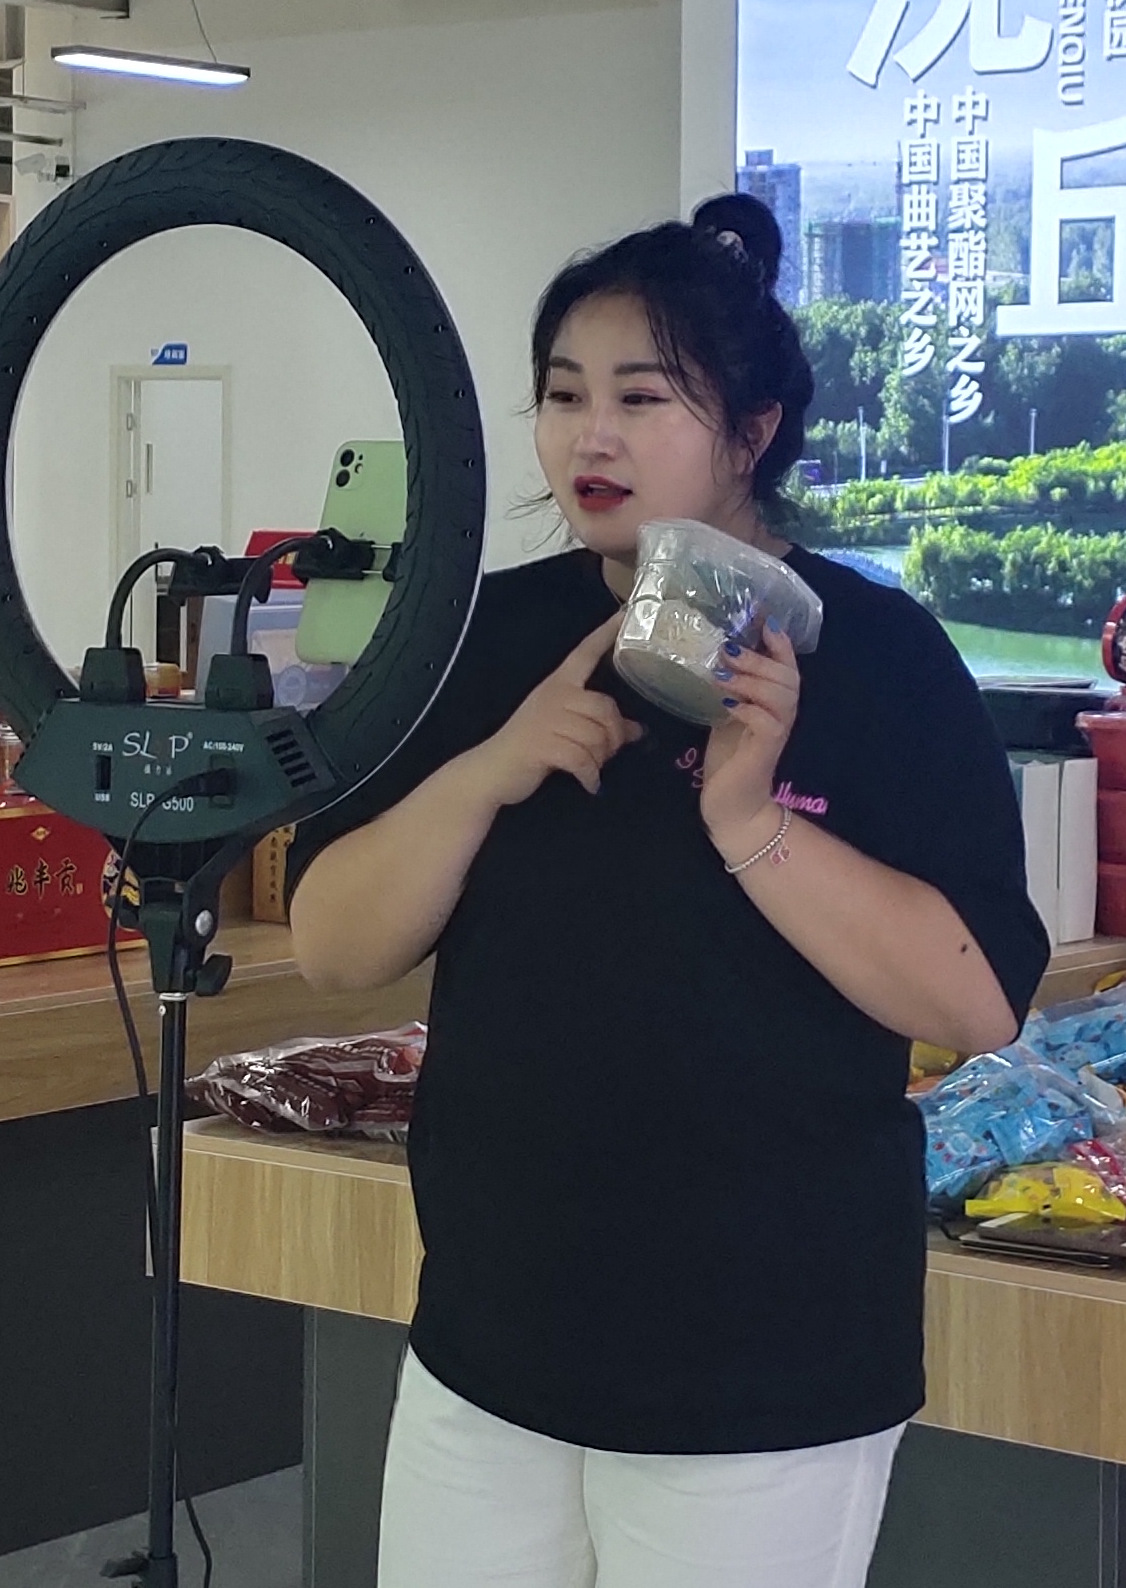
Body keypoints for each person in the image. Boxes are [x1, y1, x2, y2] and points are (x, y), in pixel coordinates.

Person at [289, 191, 1048, 1588]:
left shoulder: (876, 657)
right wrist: (489, 771)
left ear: (752, 431)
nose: (592, 435)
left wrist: (749, 821)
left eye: (642, 398)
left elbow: (977, 998)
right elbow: (331, 944)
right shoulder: (479, 634)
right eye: (564, 394)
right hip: (492, 1340)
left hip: (761, 1373)